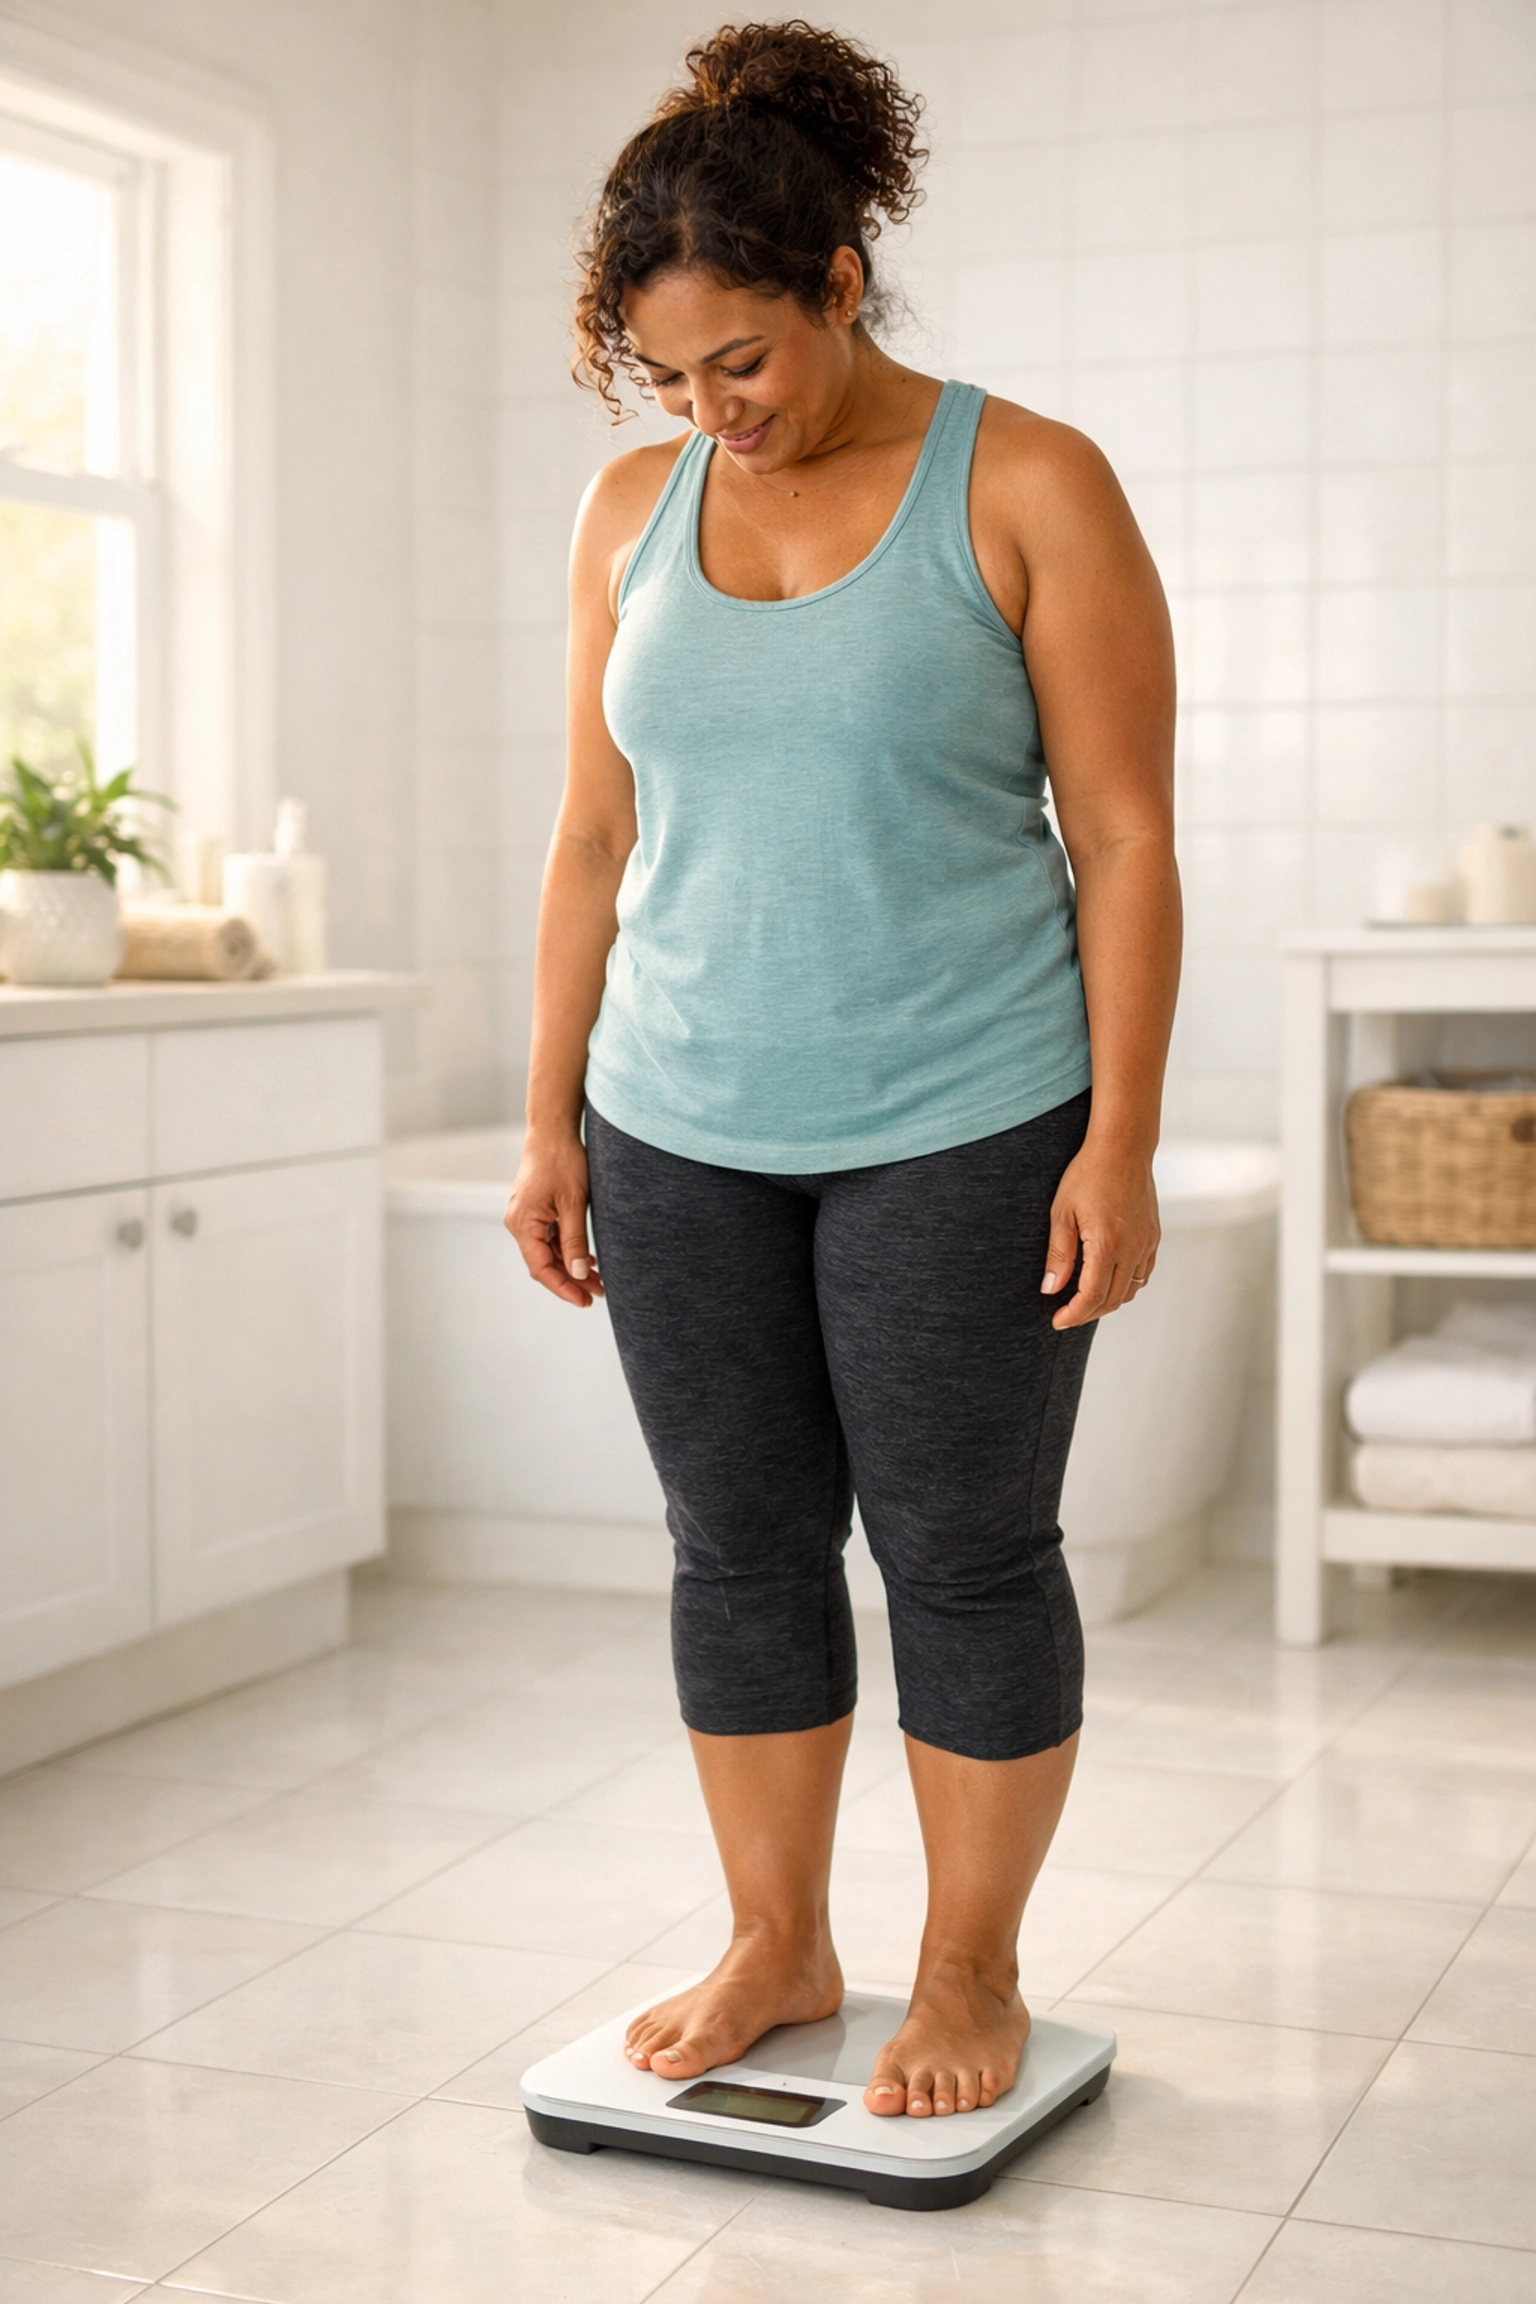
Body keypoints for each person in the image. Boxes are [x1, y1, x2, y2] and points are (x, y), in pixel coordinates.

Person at [505, 18, 1179, 2123]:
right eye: (672, 379)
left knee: (966, 1552)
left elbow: (1129, 837)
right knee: (737, 1545)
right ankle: (777, 1944)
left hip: (967, 1122)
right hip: (676, 1117)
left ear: (841, 289)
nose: (719, 416)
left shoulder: (1030, 478)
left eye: (748, 366)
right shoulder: (634, 511)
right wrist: (548, 1115)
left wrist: (1124, 1142)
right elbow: (595, 835)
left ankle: (963, 1967)